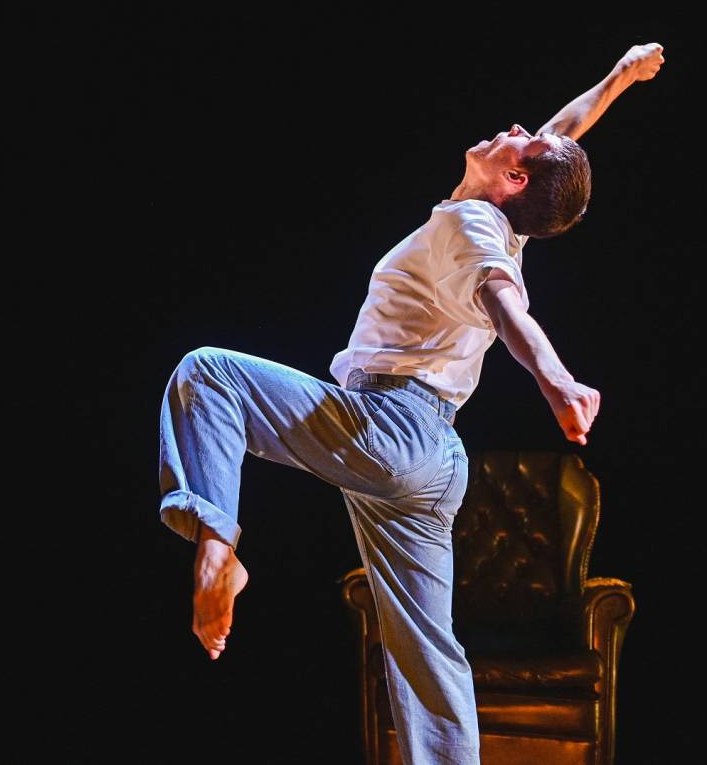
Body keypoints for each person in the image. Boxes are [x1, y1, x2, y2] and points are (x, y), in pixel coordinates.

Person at [156, 41, 664, 763]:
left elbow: (506, 307)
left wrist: (557, 381)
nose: (517, 125)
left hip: (389, 428)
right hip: (431, 466)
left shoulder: (474, 230)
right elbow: (564, 132)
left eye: (523, 141)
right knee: (429, 663)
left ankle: (215, 545)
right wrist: (620, 77)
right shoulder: (502, 219)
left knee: (209, 375)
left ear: (513, 177)